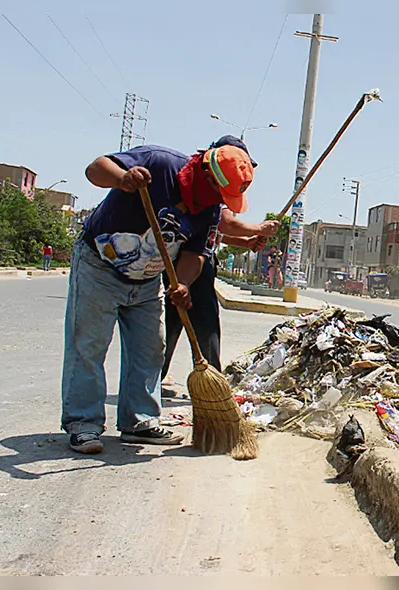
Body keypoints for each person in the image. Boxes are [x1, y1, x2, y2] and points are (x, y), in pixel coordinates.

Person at [62, 142, 253, 454]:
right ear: (206, 175)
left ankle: (139, 421)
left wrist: (184, 284)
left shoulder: (209, 210)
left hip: (147, 278)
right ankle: (84, 424)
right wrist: (122, 179)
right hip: (100, 265)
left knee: (150, 349)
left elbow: (195, 254)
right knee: (89, 346)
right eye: (220, 193)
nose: (221, 203)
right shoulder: (161, 164)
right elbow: (95, 169)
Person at [161, 136, 278, 391]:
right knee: (199, 322)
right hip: (187, 260)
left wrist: (247, 243)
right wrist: (258, 228)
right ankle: (210, 383)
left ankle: (171, 378)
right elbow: (224, 222)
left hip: (199, 258)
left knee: (183, 321)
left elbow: (216, 232)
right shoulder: (209, 187)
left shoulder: (219, 190)